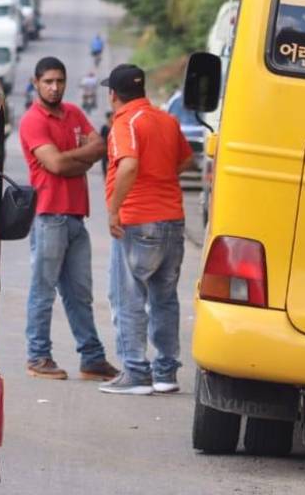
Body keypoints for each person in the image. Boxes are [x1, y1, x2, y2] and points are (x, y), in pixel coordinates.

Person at [17, 57, 118, 382]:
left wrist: (69, 159)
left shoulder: (74, 112)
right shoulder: (33, 121)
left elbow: (100, 146)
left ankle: (92, 359)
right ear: (36, 83)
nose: (54, 87)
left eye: (59, 81)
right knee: (43, 291)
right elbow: (57, 165)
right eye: (48, 81)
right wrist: (79, 160)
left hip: (76, 216)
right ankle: (38, 356)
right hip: (49, 216)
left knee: (80, 294)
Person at [99, 64, 194, 396]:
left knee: (128, 297)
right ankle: (165, 373)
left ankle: (136, 372)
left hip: (138, 221)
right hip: (173, 221)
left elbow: (128, 164)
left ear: (113, 94)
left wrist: (114, 210)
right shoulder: (166, 120)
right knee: (164, 299)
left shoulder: (125, 123)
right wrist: (161, 177)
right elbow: (187, 159)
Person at [99, 111, 113, 177]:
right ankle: (105, 177)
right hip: (105, 149)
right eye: (111, 116)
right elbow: (101, 138)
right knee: (104, 164)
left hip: (112, 149)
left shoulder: (114, 126)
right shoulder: (104, 127)